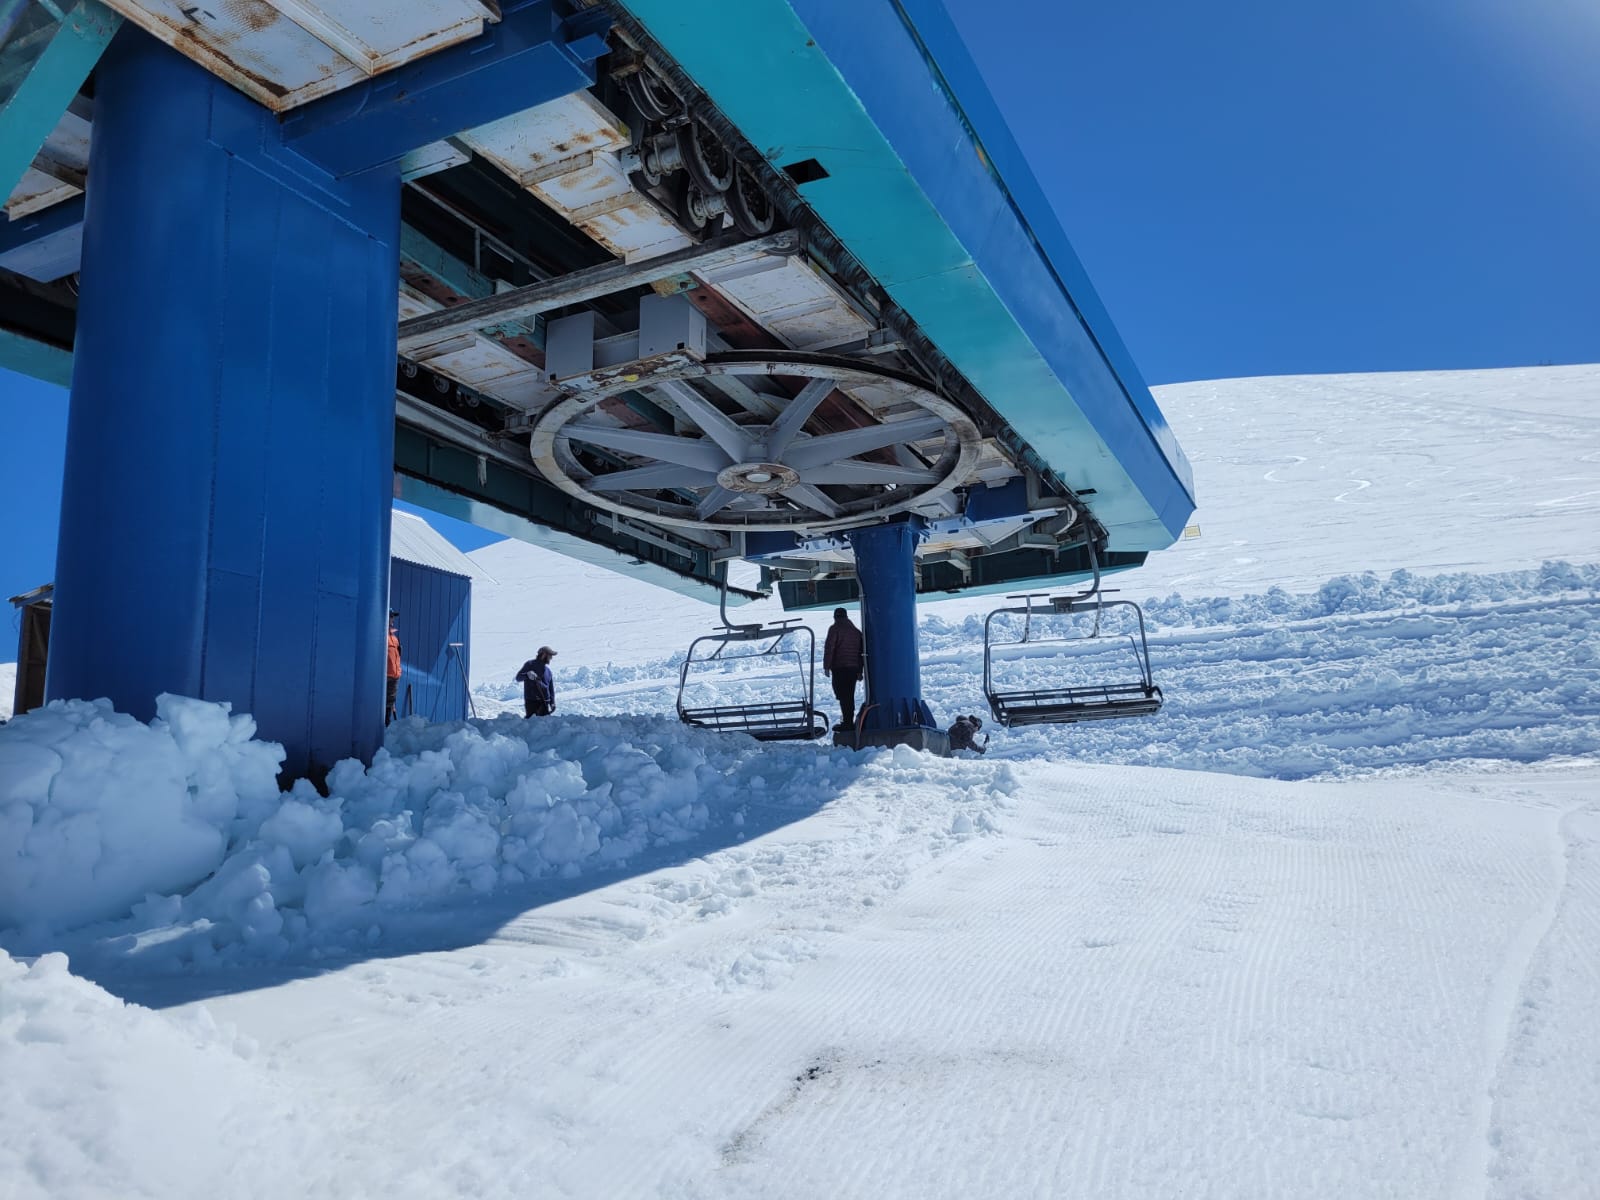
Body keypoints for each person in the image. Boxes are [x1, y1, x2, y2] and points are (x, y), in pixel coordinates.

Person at [822, 607, 864, 732]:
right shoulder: (856, 631)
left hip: (839, 668)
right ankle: (848, 721)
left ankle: (847, 723)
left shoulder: (834, 629)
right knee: (849, 695)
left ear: (835, 617)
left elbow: (829, 648)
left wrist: (826, 666)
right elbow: (861, 653)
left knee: (841, 694)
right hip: (853, 668)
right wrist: (859, 671)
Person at [515, 646, 558, 717]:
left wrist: (552, 702)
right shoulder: (530, 664)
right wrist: (527, 675)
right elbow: (518, 678)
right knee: (533, 725)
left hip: (545, 703)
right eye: (550, 655)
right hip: (532, 702)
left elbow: (551, 689)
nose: (551, 658)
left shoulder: (548, 671)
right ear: (544, 654)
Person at [385, 610, 403, 724]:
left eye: (393, 617)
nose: (393, 619)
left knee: (390, 702)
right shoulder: (381, 635)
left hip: (395, 675)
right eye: (391, 616)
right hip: (384, 676)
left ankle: (386, 723)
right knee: (381, 702)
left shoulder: (394, 637)